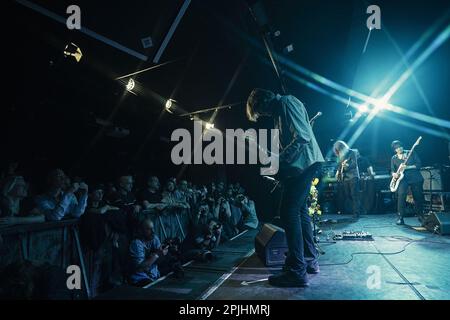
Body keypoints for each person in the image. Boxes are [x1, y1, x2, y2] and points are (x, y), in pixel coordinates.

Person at [246, 88, 324, 287]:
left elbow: (303, 138)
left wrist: (279, 162)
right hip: (302, 165)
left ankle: (297, 271)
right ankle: (309, 260)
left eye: (261, 111)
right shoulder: (281, 111)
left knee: (288, 213)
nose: (263, 115)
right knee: (300, 212)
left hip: (304, 164)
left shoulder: (287, 103)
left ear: (263, 102)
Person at [390, 140, 424, 225]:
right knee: (401, 196)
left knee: (418, 196)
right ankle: (400, 217)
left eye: (400, 147)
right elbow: (392, 170)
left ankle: (420, 216)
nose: (399, 149)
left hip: (415, 177)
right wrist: (393, 174)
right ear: (394, 150)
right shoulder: (394, 158)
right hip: (402, 179)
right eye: (397, 148)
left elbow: (419, 164)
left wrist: (407, 167)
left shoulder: (411, 152)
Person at [128, 218, 167, 287]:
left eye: (153, 228)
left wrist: (163, 253)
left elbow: (160, 259)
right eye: (149, 229)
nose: (153, 231)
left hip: (153, 275)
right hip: (140, 278)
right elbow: (140, 268)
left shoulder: (154, 238)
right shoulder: (136, 243)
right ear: (141, 231)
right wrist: (156, 255)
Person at [333, 140, 361, 219]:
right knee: (348, 195)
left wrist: (346, 166)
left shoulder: (352, 152)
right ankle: (356, 210)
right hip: (345, 178)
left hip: (353, 176)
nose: (338, 151)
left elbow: (354, 164)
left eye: (339, 149)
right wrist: (338, 172)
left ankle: (356, 213)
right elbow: (339, 165)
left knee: (354, 195)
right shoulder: (340, 155)